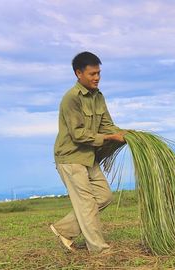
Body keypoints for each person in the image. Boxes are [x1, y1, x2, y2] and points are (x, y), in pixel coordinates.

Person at [50, 51, 125, 254]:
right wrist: (109, 138)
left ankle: (63, 229)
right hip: (71, 157)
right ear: (78, 73)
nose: (97, 78)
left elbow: (107, 124)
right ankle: (99, 250)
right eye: (92, 74)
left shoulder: (98, 97)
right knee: (86, 204)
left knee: (104, 196)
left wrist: (125, 135)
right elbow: (78, 134)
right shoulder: (71, 99)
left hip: (89, 157)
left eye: (99, 73)